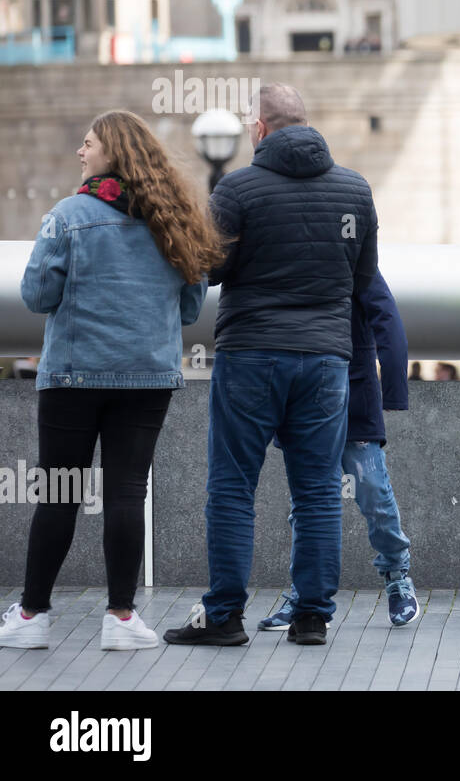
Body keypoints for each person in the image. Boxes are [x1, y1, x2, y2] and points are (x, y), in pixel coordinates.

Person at [163, 83, 379, 647]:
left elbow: (208, 269)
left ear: (259, 129)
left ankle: (226, 616)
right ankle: (311, 617)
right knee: (317, 491)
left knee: (233, 487)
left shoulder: (237, 189)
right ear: (306, 124)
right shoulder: (355, 190)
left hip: (251, 357)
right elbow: (361, 279)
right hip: (326, 361)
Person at [1, 111, 222, 651]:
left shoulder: (69, 215)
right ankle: (121, 618)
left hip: (72, 375)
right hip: (147, 375)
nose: (81, 152)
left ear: (112, 154)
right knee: (127, 491)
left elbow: (35, 296)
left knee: (59, 492)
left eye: (88, 143)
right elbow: (192, 304)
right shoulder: (172, 219)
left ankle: (31, 617)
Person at [258, 268, 418, 630]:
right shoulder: (288, 255)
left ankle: (397, 576)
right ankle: (305, 595)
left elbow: (386, 315)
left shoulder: (352, 257)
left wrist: (394, 388)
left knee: (374, 493)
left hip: (352, 398)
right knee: (307, 505)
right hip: (302, 402)